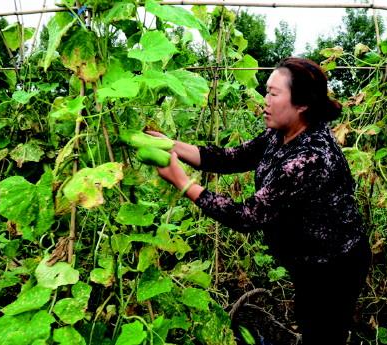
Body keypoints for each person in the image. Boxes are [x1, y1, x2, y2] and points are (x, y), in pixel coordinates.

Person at [154, 57, 370, 344]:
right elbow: (233, 157)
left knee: (323, 331)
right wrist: (171, 145)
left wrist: (183, 183)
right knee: (310, 322)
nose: (265, 100)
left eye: (273, 93)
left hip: (333, 266)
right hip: (306, 259)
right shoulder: (280, 134)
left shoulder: (310, 158)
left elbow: (246, 216)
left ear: (302, 103)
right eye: (266, 91)